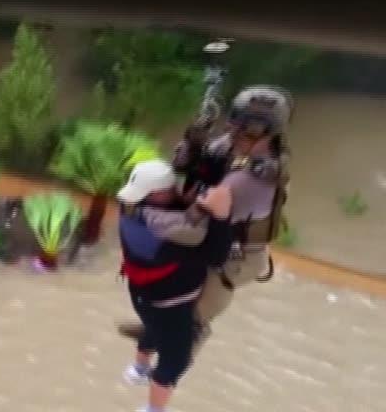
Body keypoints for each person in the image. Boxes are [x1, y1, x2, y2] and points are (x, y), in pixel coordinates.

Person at [117, 86, 292, 349]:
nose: (237, 134)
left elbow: (194, 226)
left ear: (270, 134)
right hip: (215, 232)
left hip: (237, 254)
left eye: (251, 130)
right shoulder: (230, 145)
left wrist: (142, 215)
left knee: (193, 317)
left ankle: (172, 352)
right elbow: (183, 166)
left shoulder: (251, 180)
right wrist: (192, 143)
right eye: (235, 124)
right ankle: (158, 327)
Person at [116, 160, 233, 412]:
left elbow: (173, 210)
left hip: (143, 298)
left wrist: (192, 200)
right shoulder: (158, 241)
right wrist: (220, 216)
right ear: (159, 194)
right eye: (170, 190)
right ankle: (153, 409)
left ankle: (138, 369)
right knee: (175, 360)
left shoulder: (128, 208)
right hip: (170, 305)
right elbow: (214, 255)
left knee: (153, 329)